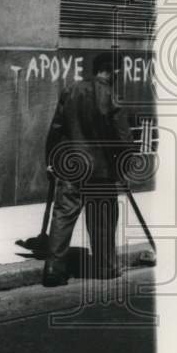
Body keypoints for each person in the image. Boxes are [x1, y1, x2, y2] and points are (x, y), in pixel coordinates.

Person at [42, 52, 135, 287]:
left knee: (63, 215)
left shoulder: (71, 90)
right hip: (100, 172)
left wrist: (52, 161)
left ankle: (53, 268)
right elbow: (123, 141)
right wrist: (123, 168)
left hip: (71, 167)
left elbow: (56, 129)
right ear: (112, 71)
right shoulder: (114, 97)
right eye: (118, 72)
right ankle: (105, 268)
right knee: (102, 219)